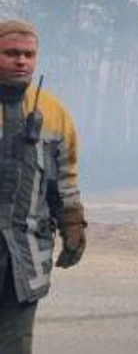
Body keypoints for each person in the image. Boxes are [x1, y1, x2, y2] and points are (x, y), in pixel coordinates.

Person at [0, 19, 86, 354]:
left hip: (25, 255)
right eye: (11, 53)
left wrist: (74, 226)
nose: (22, 61)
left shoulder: (53, 112)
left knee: (16, 345)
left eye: (29, 54)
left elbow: (66, 178)